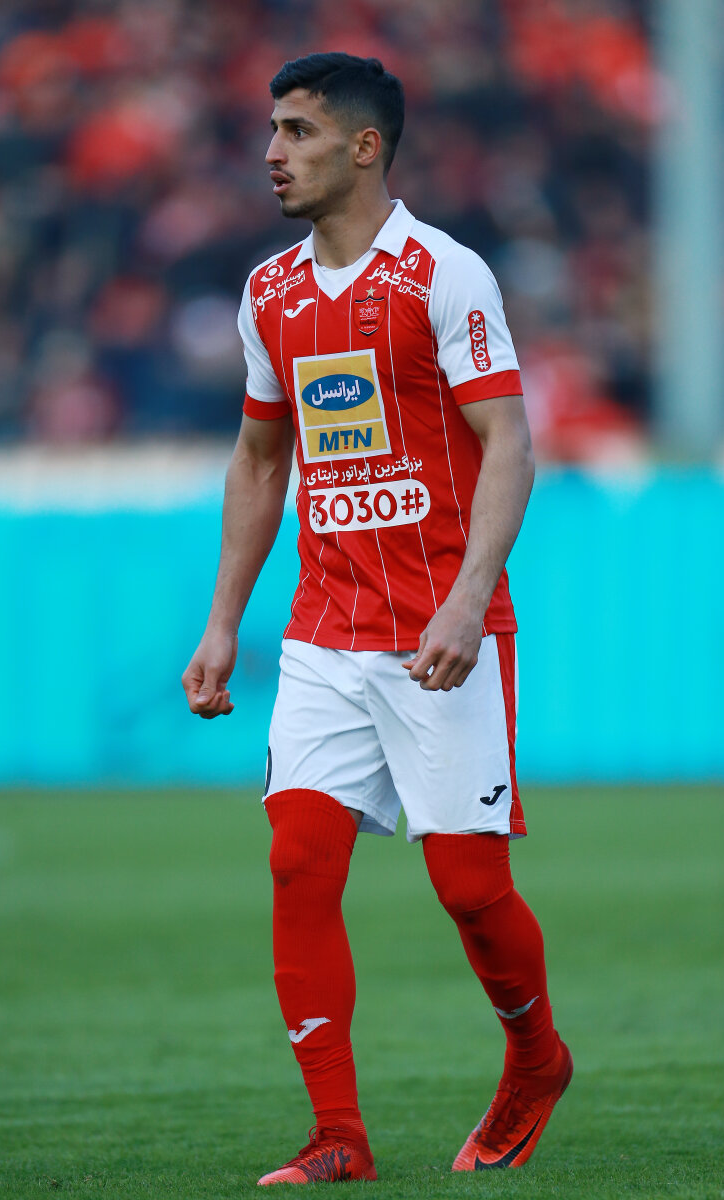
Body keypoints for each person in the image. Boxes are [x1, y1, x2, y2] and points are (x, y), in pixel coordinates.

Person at [182, 52, 571, 1186]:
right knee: (297, 866)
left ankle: (536, 1059)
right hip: (323, 637)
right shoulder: (270, 294)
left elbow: (510, 444)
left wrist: (464, 602)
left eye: (296, 131)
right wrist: (222, 622)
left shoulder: (443, 276)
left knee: (469, 891)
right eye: (271, 130)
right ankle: (337, 1135)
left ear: (363, 148)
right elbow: (261, 462)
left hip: (440, 637)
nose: (272, 153)